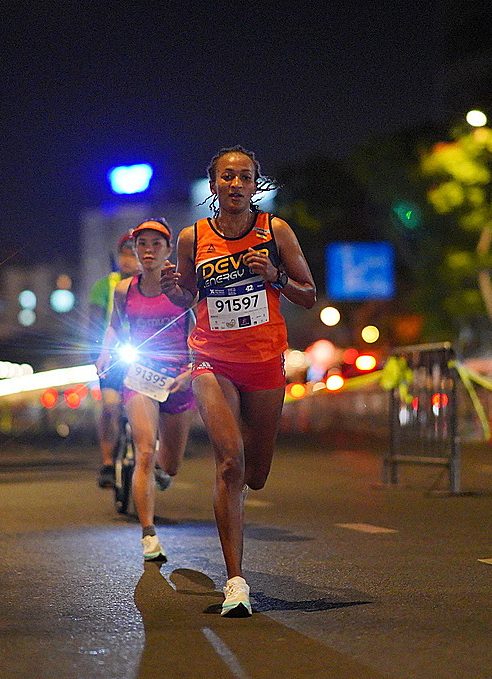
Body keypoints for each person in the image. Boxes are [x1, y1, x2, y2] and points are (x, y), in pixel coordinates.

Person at [161, 146, 316, 617]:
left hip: (265, 361)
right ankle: (236, 582)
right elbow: (188, 295)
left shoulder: (276, 231)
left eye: (244, 177)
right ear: (213, 185)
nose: (234, 184)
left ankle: (245, 481)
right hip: (213, 358)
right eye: (226, 177)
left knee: (256, 474)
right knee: (230, 461)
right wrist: (173, 290)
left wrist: (275, 276)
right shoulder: (192, 237)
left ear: (255, 185)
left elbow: (309, 296)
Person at [96, 219, 195, 563]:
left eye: (156, 244)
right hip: (139, 376)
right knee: (145, 450)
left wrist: (192, 370)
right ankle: (149, 534)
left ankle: (161, 475)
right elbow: (113, 327)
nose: (148, 250)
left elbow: (200, 332)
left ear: (169, 250)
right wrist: (105, 354)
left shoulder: (184, 288)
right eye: (142, 244)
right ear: (135, 250)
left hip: (177, 379)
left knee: (170, 465)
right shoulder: (124, 289)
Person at [89, 232, 141, 488]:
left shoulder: (155, 283)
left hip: (146, 355)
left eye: (135, 253)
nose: (130, 260)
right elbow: (94, 321)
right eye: (125, 254)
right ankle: (108, 462)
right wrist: (98, 351)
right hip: (114, 355)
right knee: (110, 407)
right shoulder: (105, 286)